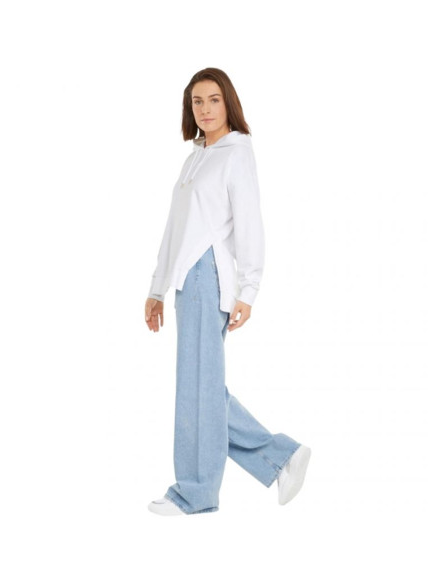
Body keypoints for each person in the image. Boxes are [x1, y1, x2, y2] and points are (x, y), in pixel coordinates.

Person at [144, 67, 311, 516]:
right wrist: (157, 288)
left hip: (208, 276)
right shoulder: (195, 158)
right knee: (201, 388)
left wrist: (248, 290)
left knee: (197, 389)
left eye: (213, 100)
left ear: (228, 103)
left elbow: (250, 223)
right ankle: (280, 457)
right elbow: (174, 229)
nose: (205, 109)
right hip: (185, 281)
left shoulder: (237, 153)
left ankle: (196, 493)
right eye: (197, 101)